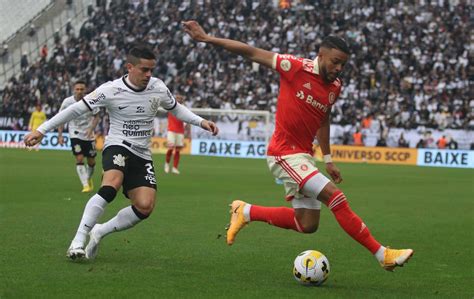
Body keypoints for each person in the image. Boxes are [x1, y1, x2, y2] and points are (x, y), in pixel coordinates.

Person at [183, 20, 413, 271]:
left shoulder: (335, 87)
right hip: (283, 154)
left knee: (307, 224)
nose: (339, 68)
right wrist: (208, 39)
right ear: (320, 55)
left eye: (343, 65)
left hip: (304, 156)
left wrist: (328, 159)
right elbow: (250, 51)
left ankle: (246, 211)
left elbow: (323, 117)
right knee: (335, 198)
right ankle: (383, 254)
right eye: (335, 62)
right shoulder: (293, 66)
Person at [24, 44, 219, 261]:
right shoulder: (111, 89)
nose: (149, 74)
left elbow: (175, 108)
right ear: (129, 67)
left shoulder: (158, 87)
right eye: (144, 69)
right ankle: (78, 240)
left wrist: (201, 121)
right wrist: (42, 130)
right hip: (118, 144)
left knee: (145, 207)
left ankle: (100, 231)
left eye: (152, 70)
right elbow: (76, 109)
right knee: (111, 186)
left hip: (142, 152)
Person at [58, 80, 101, 193]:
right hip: (75, 134)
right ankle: (85, 185)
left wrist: (91, 129)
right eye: (77, 89)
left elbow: (97, 116)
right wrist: (60, 135)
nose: (79, 91)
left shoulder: (91, 100)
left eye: (82, 89)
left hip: (89, 135)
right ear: (73, 90)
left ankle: (88, 178)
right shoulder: (67, 102)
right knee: (79, 158)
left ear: (85, 90)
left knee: (91, 161)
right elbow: (61, 118)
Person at [164, 95, 187, 175]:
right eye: (177, 98)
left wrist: (188, 132)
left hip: (180, 131)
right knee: (170, 148)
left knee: (177, 150)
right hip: (171, 131)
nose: (179, 99)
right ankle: (167, 164)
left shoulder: (184, 109)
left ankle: (175, 168)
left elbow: (187, 120)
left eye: (180, 98)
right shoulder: (171, 106)